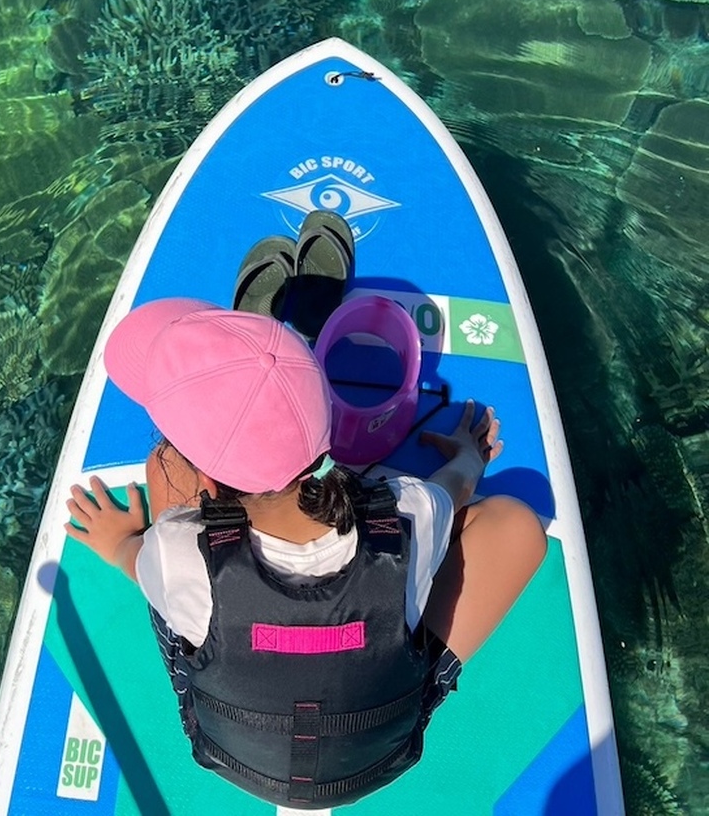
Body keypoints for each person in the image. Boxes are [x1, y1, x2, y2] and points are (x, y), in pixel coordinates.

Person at [65, 298, 546, 809]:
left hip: (230, 755)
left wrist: (119, 543)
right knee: (518, 527)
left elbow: (147, 561)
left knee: (163, 466)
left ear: (208, 481)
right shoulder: (409, 512)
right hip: (381, 751)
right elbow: (455, 486)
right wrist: (470, 456)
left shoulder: (175, 552)